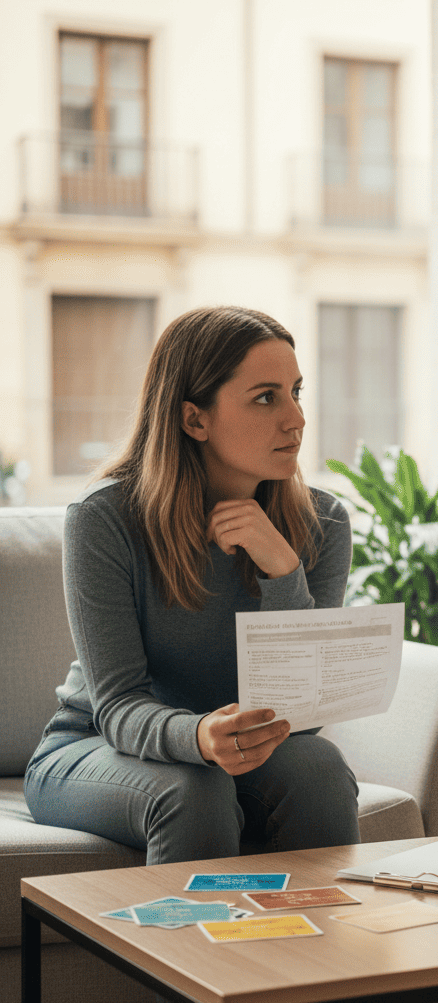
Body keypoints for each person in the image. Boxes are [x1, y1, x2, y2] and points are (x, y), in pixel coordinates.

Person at [24, 305, 359, 875]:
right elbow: (119, 708)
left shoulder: (322, 521)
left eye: (296, 392)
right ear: (193, 419)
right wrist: (201, 736)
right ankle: (186, 964)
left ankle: (319, 960)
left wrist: (282, 568)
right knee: (193, 789)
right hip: (96, 747)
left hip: (241, 752)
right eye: (265, 397)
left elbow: (303, 714)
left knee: (320, 768)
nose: (296, 418)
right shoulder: (104, 519)